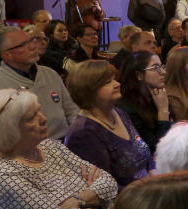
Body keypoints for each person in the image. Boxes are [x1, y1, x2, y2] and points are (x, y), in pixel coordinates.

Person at [65, 60, 156, 189]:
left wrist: (155, 177)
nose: (117, 84)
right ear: (88, 91)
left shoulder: (120, 113)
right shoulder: (84, 133)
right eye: (108, 82)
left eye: (114, 79)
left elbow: (146, 158)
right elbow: (105, 187)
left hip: (149, 189)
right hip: (128, 202)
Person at [0, 26, 80, 140]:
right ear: (7, 55)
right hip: (29, 150)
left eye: (30, 41)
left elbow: (71, 110)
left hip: (65, 142)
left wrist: (75, 136)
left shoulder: (50, 74)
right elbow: (4, 135)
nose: (32, 46)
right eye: (22, 45)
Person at [117, 51, 171, 153]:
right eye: (155, 68)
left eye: (162, 66)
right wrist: (163, 111)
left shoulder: (155, 96)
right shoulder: (127, 108)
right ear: (139, 75)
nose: (163, 72)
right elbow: (155, 148)